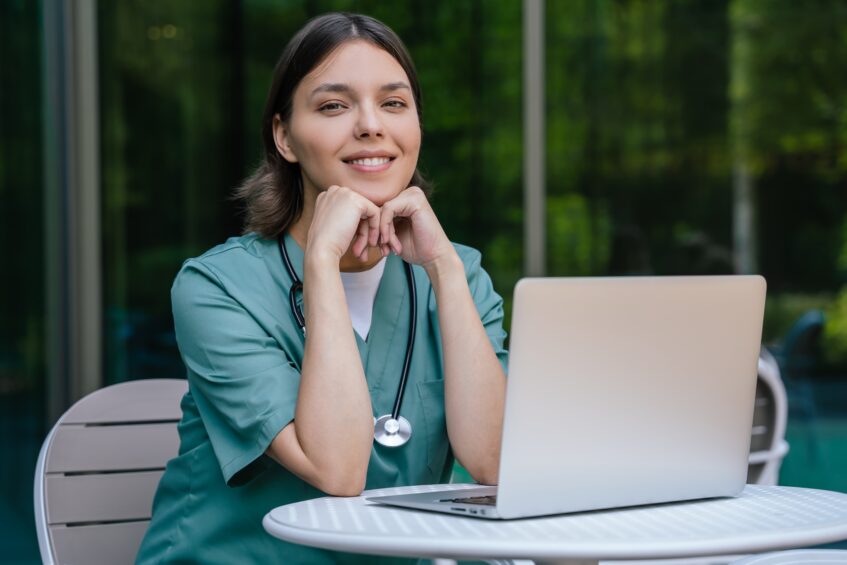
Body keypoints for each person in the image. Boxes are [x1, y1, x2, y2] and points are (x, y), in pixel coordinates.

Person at [136, 12, 508, 564]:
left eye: (394, 103)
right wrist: (323, 263)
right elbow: (337, 469)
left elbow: (495, 463)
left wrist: (445, 269)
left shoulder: (457, 275)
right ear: (284, 137)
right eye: (334, 106)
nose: (370, 126)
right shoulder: (216, 288)